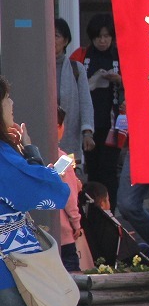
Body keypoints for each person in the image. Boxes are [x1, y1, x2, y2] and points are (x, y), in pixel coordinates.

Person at [0, 76, 73, 306]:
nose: (12, 106)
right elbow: (52, 195)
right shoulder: (2, 155)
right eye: (8, 99)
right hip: (6, 269)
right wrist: (31, 153)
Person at [74, 14, 123, 210]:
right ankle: (93, 212)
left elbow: (137, 82)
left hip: (113, 122)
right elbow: (71, 82)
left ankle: (110, 211)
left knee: (109, 169)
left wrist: (119, 80)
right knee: (92, 169)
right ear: (92, 38)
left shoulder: (120, 55)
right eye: (98, 37)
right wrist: (91, 82)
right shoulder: (81, 56)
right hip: (88, 122)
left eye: (106, 36)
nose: (103, 41)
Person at [54, 18, 94, 172]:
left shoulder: (76, 69)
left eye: (56, 35)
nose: (52, 39)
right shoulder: (38, 68)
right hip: (42, 138)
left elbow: (85, 102)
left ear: (65, 41)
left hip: (69, 139)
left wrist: (87, 132)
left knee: (69, 179)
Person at [55, 107, 86, 272]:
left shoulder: (27, 155)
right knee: (71, 280)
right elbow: (69, 197)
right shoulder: (62, 159)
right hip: (64, 233)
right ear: (58, 127)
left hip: (39, 234)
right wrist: (76, 223)